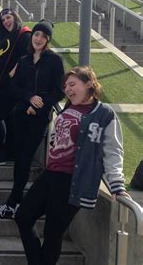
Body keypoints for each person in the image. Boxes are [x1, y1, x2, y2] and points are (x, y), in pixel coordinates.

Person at [15, 66, 129, 265]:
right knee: (23, 216)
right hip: (51, 174)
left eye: (73, 84)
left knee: (52, 232)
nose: (67, 89)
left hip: (73, 180)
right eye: (66, 85)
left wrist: (117, 184)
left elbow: (113, 151)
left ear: (89, 84)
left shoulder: (104, 114)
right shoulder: (69, 106)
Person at [0, 20, 64, 217]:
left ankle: (15, 202)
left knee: (25, 158)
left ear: (48, 40)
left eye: (43, 36)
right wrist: (29, 98)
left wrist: (40, 103)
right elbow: (13, 87)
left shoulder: (54, 61)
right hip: (20, 115)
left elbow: (59, 91)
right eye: (37, 34)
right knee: (19, 158)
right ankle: (15, 202)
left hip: (38, 117)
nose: (39, 39)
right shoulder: (24, 60)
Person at [0, 8, 31, 165]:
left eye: (8, 17)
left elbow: (27, 56)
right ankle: (10, 152)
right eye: (3, 20)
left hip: (13, 84)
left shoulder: (24, 35)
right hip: (2, 82)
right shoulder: (4, 35)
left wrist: (15, 71)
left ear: (15, 17)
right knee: (8, 118)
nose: (6, 21)